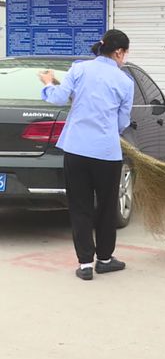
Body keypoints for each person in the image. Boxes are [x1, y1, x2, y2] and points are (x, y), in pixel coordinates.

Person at [39, 29, 134, 281]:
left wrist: (48, 83)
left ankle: (84, 265)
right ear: (118, 52)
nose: (124, 58)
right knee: (105, 207)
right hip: (106, 153)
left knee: (80, 207)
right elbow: (122, 122)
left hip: (76, 150)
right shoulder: (125, 82)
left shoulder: (79, 69)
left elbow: (59, 98)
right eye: (124, 53)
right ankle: (104, 259)